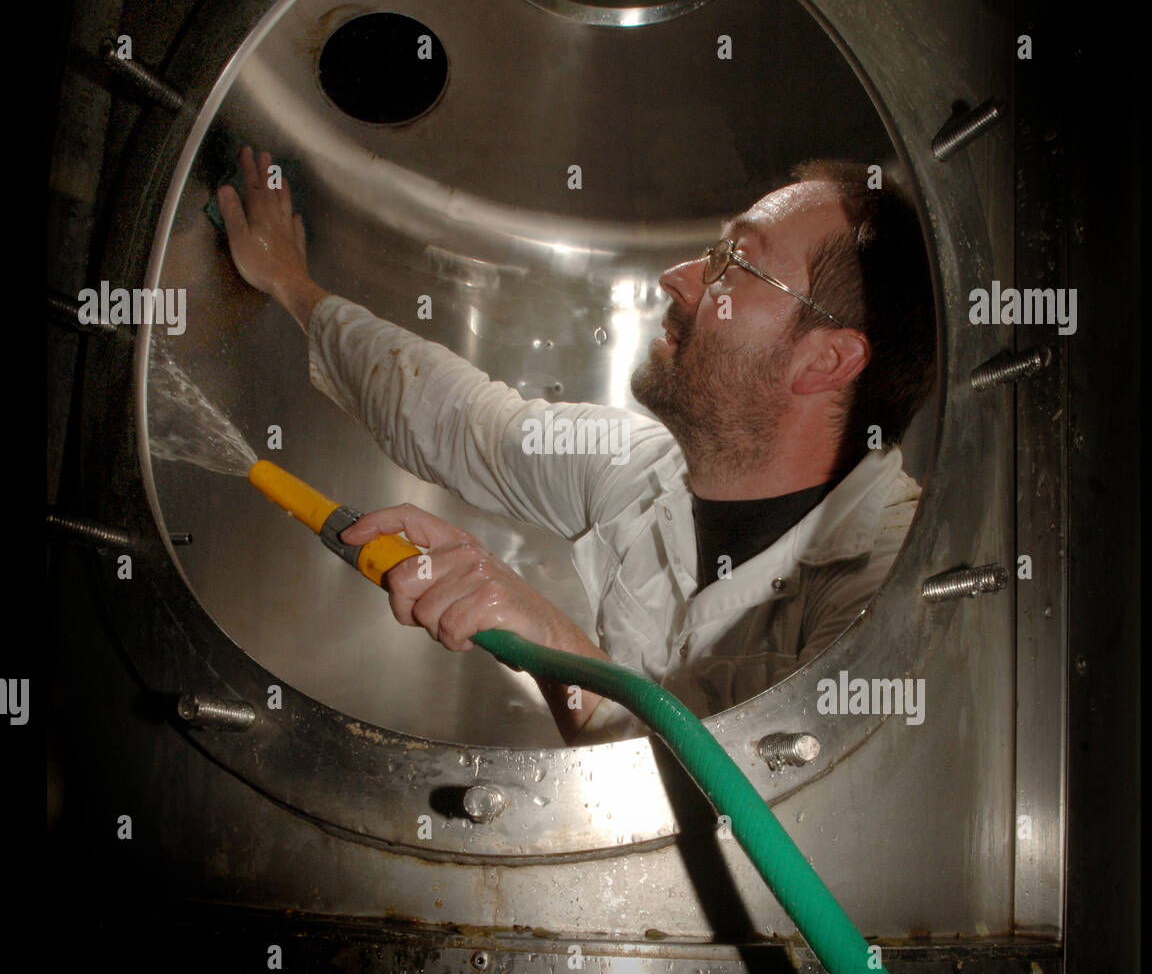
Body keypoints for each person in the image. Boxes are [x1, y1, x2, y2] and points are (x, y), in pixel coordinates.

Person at [218, 147, 935, 743]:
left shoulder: (898, 580)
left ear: (826, 361)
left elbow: (757, 815)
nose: (679, 278)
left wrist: (543, 632)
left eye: (735, 264)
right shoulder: (638, 467)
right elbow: (452, 414)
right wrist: (290, 284)